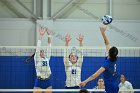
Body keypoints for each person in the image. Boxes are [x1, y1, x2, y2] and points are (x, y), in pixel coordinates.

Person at [80, 24, 119, 93]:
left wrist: (85, 81)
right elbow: (107, 43)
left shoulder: (107, 64)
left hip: (109, 87)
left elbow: (94, 75)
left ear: (109, 53)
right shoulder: (114, 59)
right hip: (115, 84)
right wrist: (103, 33)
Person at [33, 27, 52, 93]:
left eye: (43, 51)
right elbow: (38, 47)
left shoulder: (47, 58)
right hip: (39, 81)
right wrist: (41, 35)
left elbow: (49, 47)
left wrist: (49, 35)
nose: (42, 52)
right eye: (40, 51)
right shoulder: (37, 58)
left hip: (48, 81)